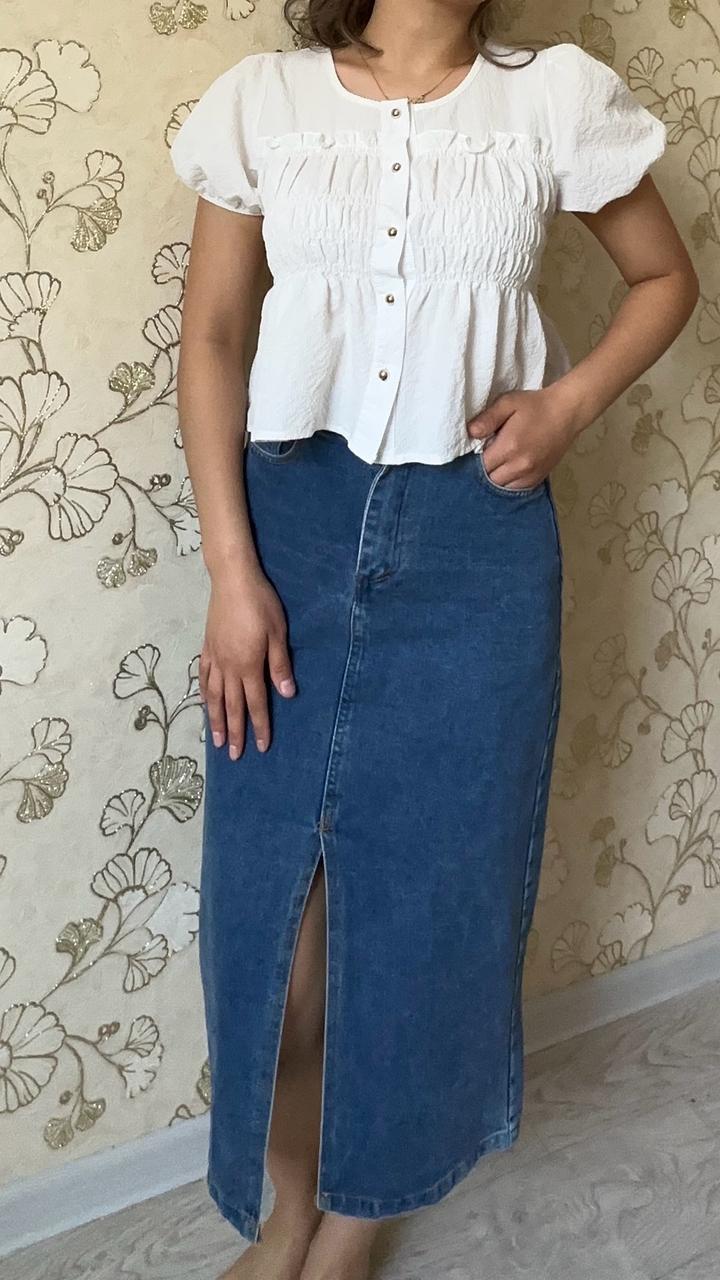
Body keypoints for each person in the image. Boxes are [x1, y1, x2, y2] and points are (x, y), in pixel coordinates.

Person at [168, 2, 698, 1278]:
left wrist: (567, 405)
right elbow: (215, 337)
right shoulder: (265, 102)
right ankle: (288, 1212)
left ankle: (354, 1226)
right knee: (273, 930)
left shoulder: (552, 96)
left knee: (431, 910)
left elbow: (666, 278)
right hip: (289, 538)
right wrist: (233, 573)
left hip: (477, 549)